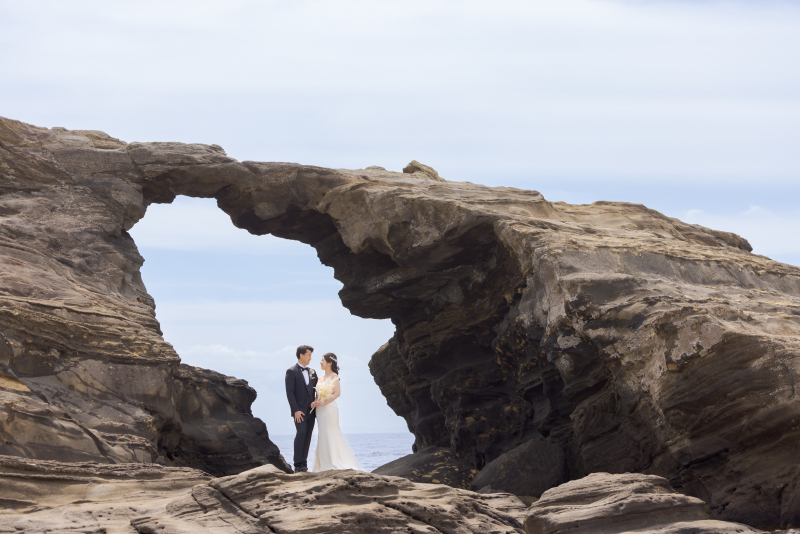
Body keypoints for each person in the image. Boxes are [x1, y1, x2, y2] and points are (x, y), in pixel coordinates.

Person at [310, 353, 363, 471]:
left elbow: (337, 393)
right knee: (323, 434)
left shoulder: (334, 376)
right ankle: (323, 464)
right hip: (319, 410)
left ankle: (335, 462)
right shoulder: (319, 378)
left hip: (329, 409)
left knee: (332, 433)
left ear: (329, 363)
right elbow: (317, 395)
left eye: (322, 360)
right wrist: (315, 402)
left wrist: (324, 402)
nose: (320, 362)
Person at [285, 345, 317, 472]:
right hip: (299, 412)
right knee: (301, 433)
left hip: (311, 411)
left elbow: (316, 390)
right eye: (309, 355)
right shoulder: (291, 372)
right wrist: (295, 410)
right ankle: (297, 463)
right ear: (301, 355)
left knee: (308, 436)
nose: (310, 357)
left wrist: (316, 401)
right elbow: (290, 393)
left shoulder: (313, 372)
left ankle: (304, 463)